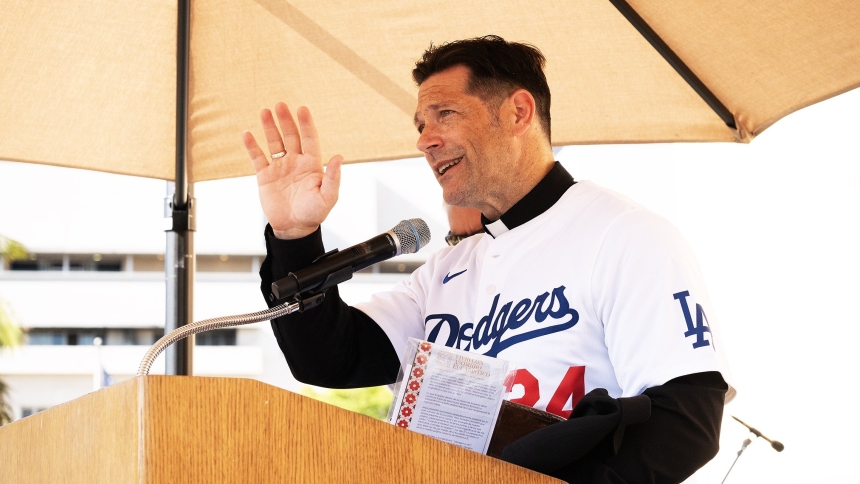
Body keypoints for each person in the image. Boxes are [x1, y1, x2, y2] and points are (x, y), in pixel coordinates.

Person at [243, 35, 732, 483]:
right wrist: (295, 235)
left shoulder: (623, 233)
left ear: (518, 112)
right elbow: (329, 359)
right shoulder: (444, 271)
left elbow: (686, 419)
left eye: (445, 114)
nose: (424, 139)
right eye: (420, 124)